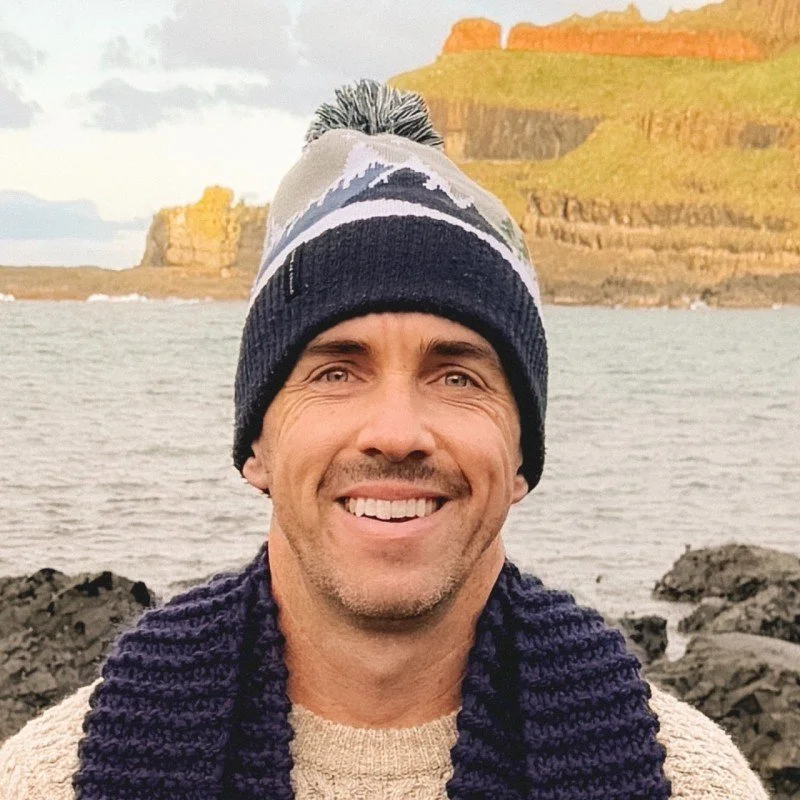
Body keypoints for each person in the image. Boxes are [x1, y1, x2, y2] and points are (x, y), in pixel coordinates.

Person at [0, 80, 767, 800]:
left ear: (523, 456)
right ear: (255, 445)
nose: (396, 432)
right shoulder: (53, 778)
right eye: (336, 372)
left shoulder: (687, 781)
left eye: (458, 376)